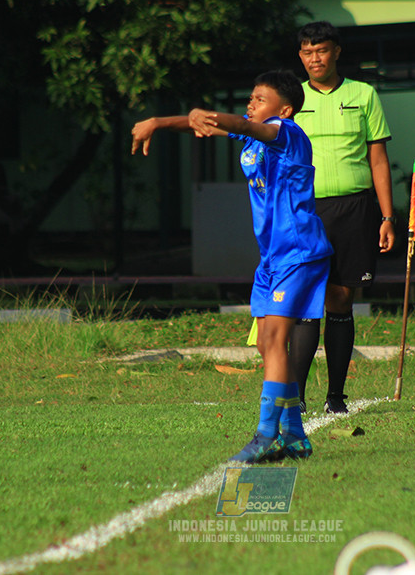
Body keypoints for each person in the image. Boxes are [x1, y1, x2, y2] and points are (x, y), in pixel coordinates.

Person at [131, 70, 332, 464]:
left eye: (261, 98)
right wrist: (160, 121)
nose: (251, 103)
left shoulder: (286, 133)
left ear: (285, 109)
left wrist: (207, 114)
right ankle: (294, 435)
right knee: (264, 344)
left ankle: (265, 435)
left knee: (274, 341)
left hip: (299, 251)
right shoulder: (255, 133)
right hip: (273, 257)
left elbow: (236, 123)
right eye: (251, 97)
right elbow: (209, 128)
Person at [290, 20, 396, 415]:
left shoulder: (363, 94)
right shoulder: (291, 99)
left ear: (336, 51)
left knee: (340, 298)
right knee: (303, 299)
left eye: (320, 50)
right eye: (306, 51)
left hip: (354, 208)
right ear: (300, 56)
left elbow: (378, 158)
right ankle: (295, 397)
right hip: (305, 210)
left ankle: (336, 396)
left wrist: (387, 216)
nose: (314, 58)